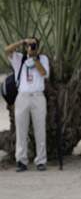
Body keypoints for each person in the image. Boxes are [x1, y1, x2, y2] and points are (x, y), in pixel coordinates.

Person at [4, 37, 49, 172]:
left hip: (38, 97)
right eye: (29, 45)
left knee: (40, 130)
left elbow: (44, 73)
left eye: (34, 45)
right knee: (21, 130)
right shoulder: (19, 59)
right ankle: (21, 160)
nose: (31, 47)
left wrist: (34, 58)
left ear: (38, 47)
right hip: (22, 97)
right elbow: (7, 50)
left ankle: (41, 160)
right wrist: (22, 42)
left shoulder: (43, 59)